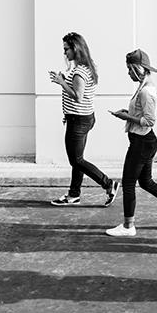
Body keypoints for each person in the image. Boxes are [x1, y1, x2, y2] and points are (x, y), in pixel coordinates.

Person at [106, 49, 157, 237]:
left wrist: (126, 117)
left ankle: (128, 226)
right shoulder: (143, 86)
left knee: (128, 183)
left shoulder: (146, 91)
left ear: (138, 69)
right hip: (145, 141)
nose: (128, 73)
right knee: (146, 182)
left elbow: (150, 121)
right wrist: (128, 114)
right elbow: (142, 115)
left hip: (142, 142)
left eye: (130, 69)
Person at [49, 32, 120, 207]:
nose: (64, 53)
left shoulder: (79, 72)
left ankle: (108, 183)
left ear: (76, 49)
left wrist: (61, 82)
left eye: (66, 49)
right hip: (84, 118)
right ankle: (74, 194)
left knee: (76, 160)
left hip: (78, 120)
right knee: (78, 159)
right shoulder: (87, 67)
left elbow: (78, 97)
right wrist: (65, 80)